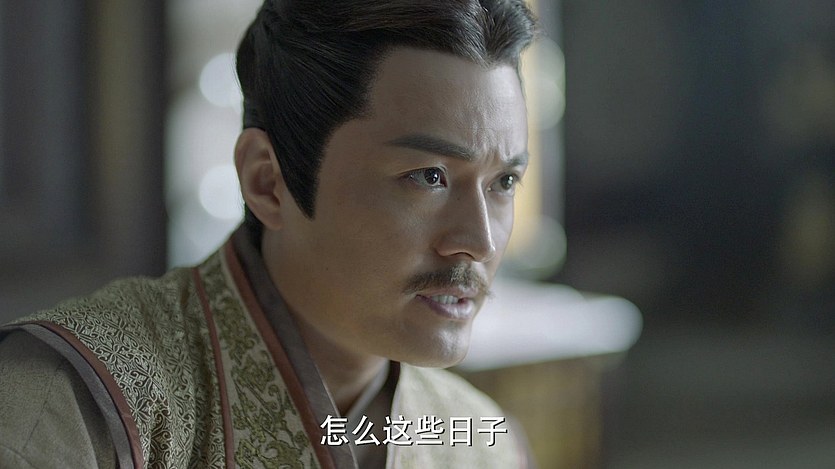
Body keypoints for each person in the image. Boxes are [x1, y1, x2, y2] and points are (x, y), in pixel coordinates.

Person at [0, 0, 537, 467]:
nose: (481, 242)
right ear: (267, 181)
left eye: (504, 182)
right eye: (429, 177)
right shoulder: (75, 403)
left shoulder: (479, 440)